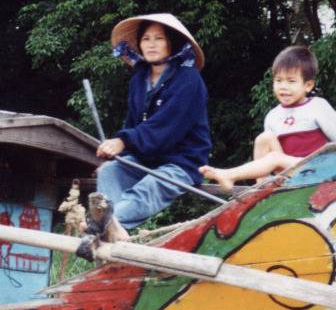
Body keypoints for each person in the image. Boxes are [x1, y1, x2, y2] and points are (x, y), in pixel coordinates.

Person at [96, 13, 211, 237]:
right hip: (146, 158)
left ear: (172, 43)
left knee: (148, 189)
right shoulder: (139, 79)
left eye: (159, 38)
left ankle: (103, 227)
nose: (151, 44)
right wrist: (118, 152)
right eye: (146, 39)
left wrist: (123, 141)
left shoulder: (189, 80)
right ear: (138, 43)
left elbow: (165, 129)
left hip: (181, 161)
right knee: (109, 172)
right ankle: (110, 234)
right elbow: (133, 123)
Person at [199, 46, 336, 191]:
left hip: (320, 170)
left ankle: (230, 175)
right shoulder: (273, 116)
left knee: (276, 158)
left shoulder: (318, 106)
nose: (283, 87)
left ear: (308, 85)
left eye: (291, 81)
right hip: (292, 173)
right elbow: (272, 156)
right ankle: (262, 186)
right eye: (279, 80)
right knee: (264, 138)